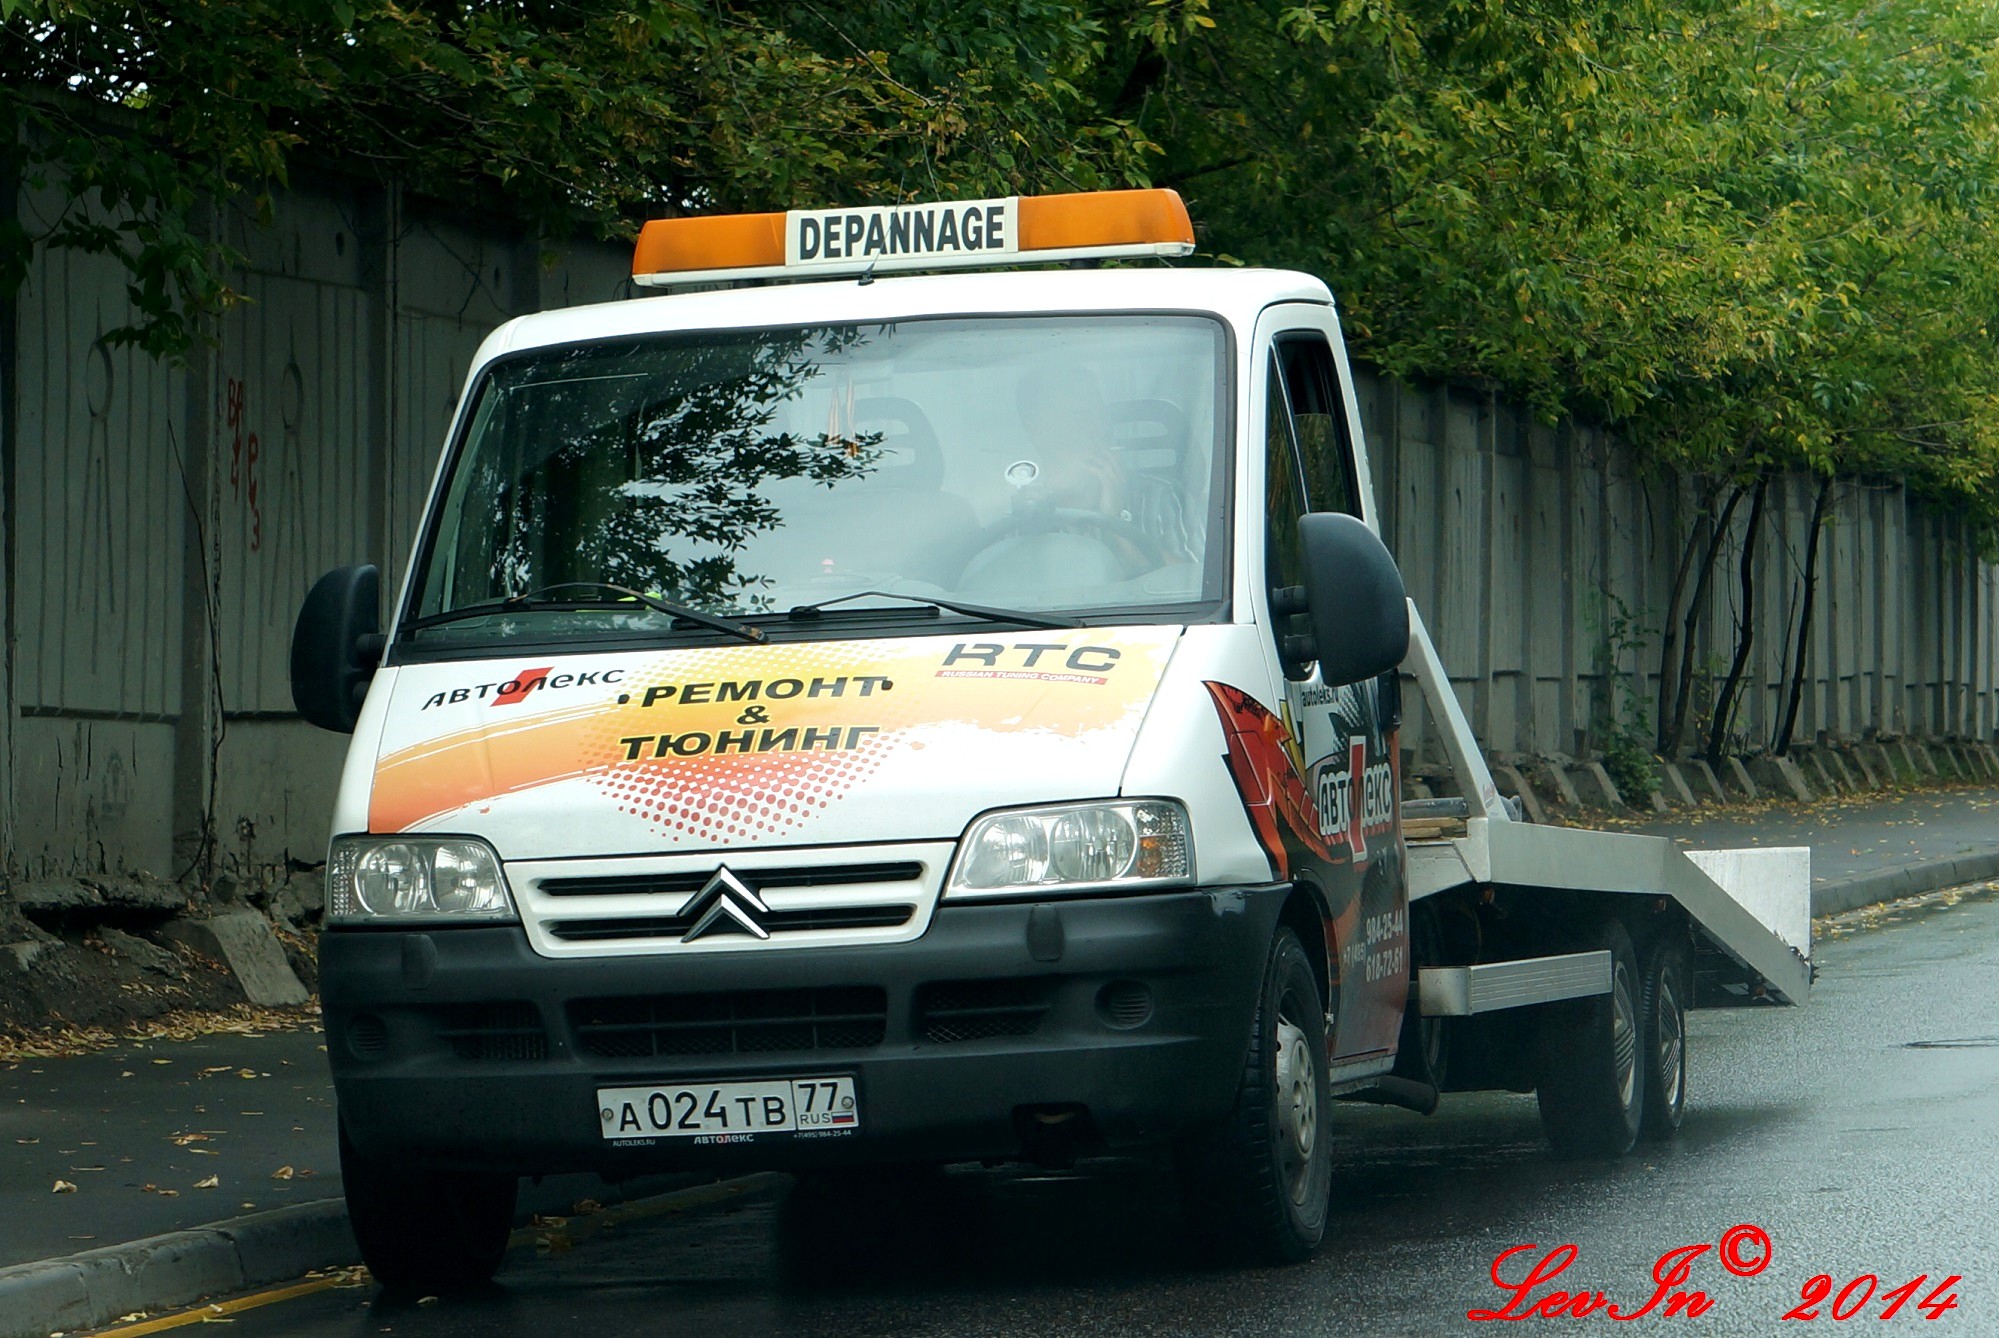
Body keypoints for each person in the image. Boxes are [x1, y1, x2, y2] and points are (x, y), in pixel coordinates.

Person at [1009, 362, 1197, 570]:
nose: (1099, 429)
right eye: (1080, 416)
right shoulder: (1021, 516)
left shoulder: (1161, 496)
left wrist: (1117, 525)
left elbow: (1196, 582)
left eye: (1102, 416)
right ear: (1037, 429)